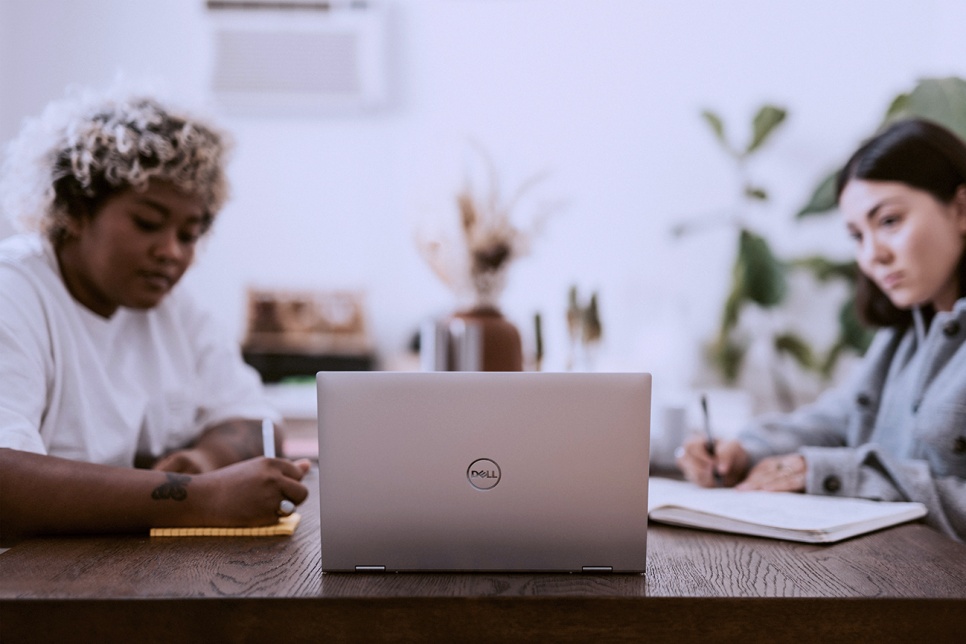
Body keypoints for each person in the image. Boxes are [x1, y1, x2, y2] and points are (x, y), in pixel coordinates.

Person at [0, 89, 310, 543]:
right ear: (75, 210)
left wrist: (204, 459)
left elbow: (255, 420)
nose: (172, 252)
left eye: (189, 234)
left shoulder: (173, 309)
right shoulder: (15, 293)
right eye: (147, 222)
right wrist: (201, 497)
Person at [676, 118, 966, 543]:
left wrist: (838, 473)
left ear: (961, 210)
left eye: (888, 221)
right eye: (856, 235)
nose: (872, 255)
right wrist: (747, 448)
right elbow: (841, 419)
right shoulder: (906, 332)